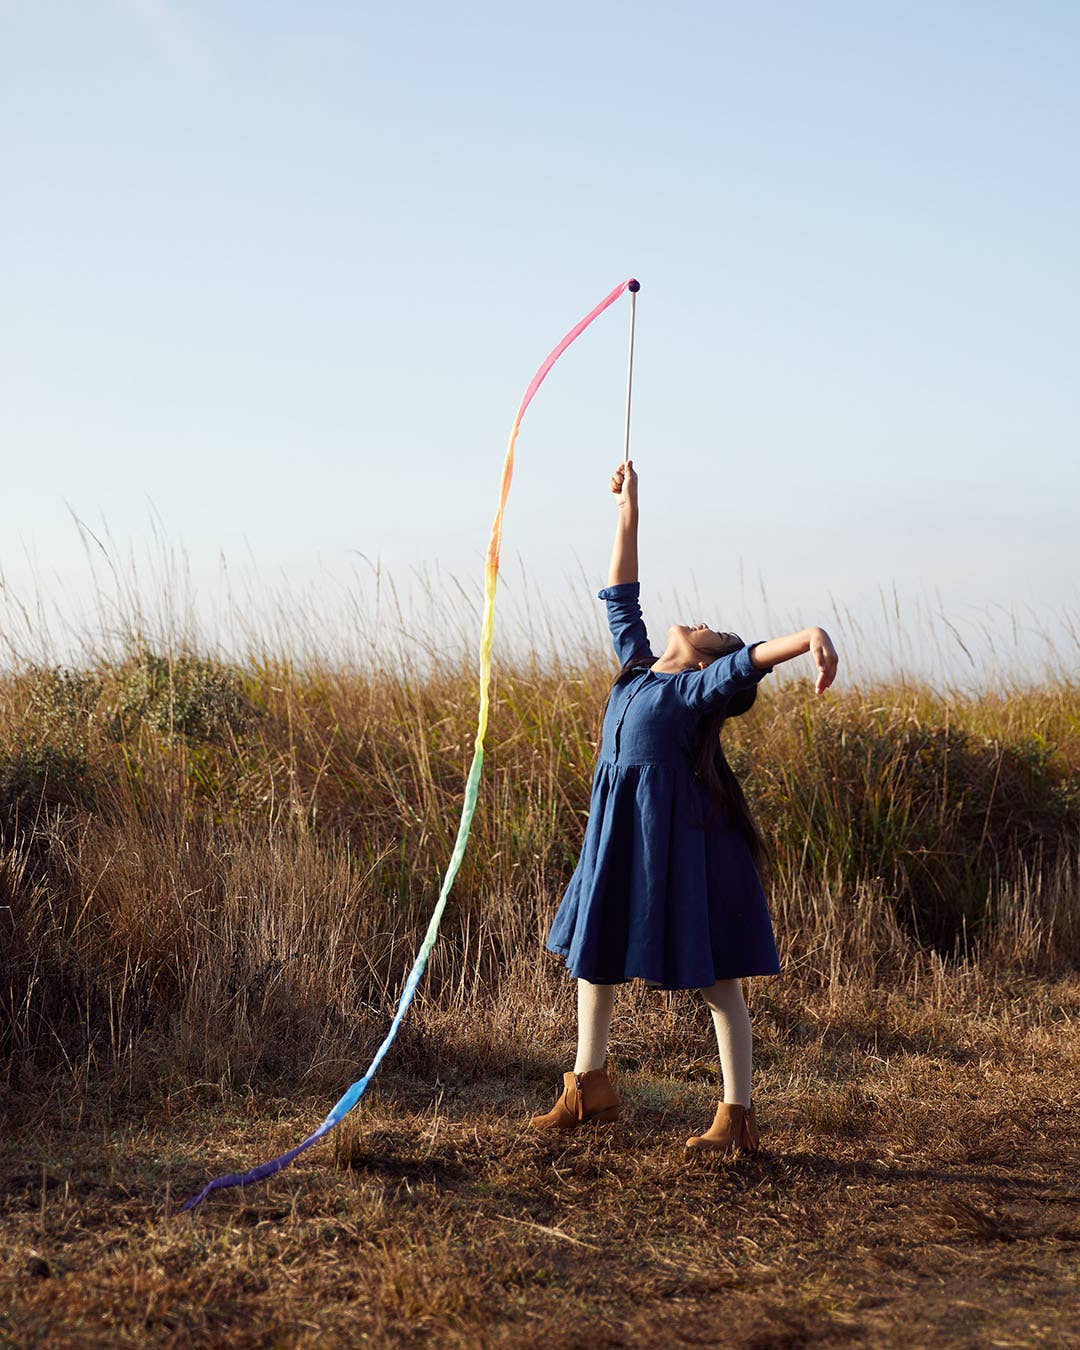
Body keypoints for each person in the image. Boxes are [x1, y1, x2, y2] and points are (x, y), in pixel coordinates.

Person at [531, 459, 838, 1155]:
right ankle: (590, 1085)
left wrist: (809, 637)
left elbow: (749, 661)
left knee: (715, 976)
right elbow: (619, 596)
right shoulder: (638, 671)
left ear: (706, 666)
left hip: (666, 846)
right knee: (593, 953)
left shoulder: (692, 693)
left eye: (717, 632)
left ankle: (738, 1118)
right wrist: (629, 509)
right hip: (616, 839)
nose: (706, 623)